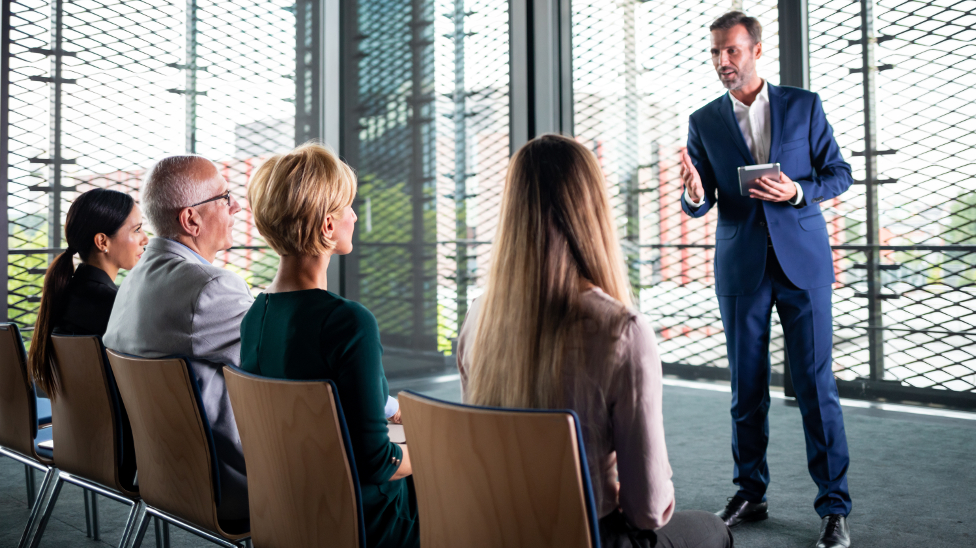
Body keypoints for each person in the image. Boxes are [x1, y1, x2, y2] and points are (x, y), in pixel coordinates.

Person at [458, 135, 732, 548]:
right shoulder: (622, 330)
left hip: (496, 531)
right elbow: (648, 510)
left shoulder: (478, 316)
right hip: (590, 536)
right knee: (715, 531)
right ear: (591, 211)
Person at [679, 11, 853, 548]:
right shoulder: (704, 120)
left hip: (802, 264)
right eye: (714, 53)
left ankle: (833, 507)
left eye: (731, 51)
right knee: (745, 387)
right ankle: (750, 492)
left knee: (816, 385)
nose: (722, 62)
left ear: (756, 49)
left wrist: (797, 192)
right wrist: (691, 194)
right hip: (741, 267)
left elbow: (838, 173)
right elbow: (701, 200)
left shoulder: (804, 106)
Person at [240, 143, 418, 548]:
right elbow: (377, 463)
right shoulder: (347, 321)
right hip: (366, 520)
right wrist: (436, 449)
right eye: (348, 207)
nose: (354, 216)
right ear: (327, 226)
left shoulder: (255, 318)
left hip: (291, 512)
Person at [104, 155, 253, 521]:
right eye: (224, 197)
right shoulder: (210, 288)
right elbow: (292, 360)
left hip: (165, 476)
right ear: (191, 219)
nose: (235, 206)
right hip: (232, 484)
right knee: (386, 468)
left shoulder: (133, 281)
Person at [28, 188, 149, 398]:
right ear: (102, 242)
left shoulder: (66, 293)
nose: (145, 239)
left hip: (75, 428)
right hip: (121, 428)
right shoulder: (116, 307)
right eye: (137, 230)